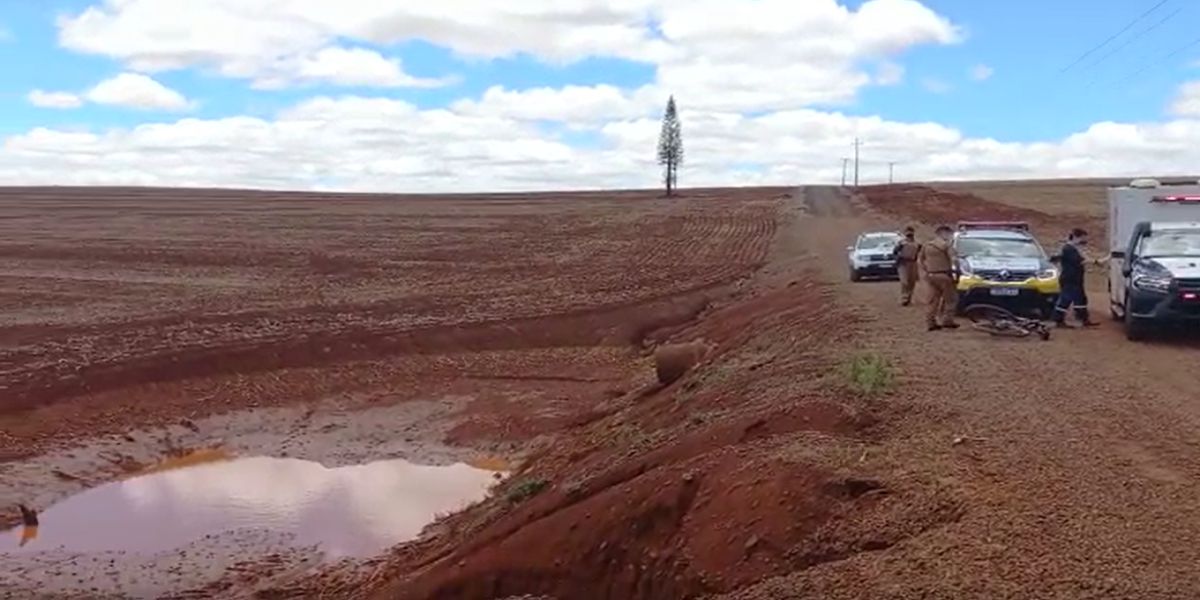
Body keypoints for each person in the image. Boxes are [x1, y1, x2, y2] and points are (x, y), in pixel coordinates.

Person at [1054, 228, 1101, 328]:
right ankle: (1058, 320)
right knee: (1065, 300)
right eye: (1082, 238)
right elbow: (1080, 261)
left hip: (1075, 279)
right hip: (1069, 279)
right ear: (1075, 237)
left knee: (1081, 299)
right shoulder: (1068, 249)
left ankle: (1084, 319)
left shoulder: (1073, 249)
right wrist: (1096, 261)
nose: (1084, 241)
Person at [918, 225, 960, 331]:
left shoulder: (927, 245)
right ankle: (947, 321)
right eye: (948, 233)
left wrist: (926, 271)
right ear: (943, 233)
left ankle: (930, 322)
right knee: (951, 299)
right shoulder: (947, 245)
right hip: (944, 275)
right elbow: (954, 260)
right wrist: (957, 272)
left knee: (933, 300)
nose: (950, 236)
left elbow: (920, 260)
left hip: (931, 275)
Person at [892, 226, 922, 306]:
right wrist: (897, 260)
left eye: (911, 233)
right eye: (908, 233)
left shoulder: (917, 243)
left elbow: (919, 252)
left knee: (912, 282)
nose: (909, 235)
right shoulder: (901, 243)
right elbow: (895, 252)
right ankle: (904, 298)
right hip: (903, 263)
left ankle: (909, 298)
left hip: (912, 263)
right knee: (904, 281)